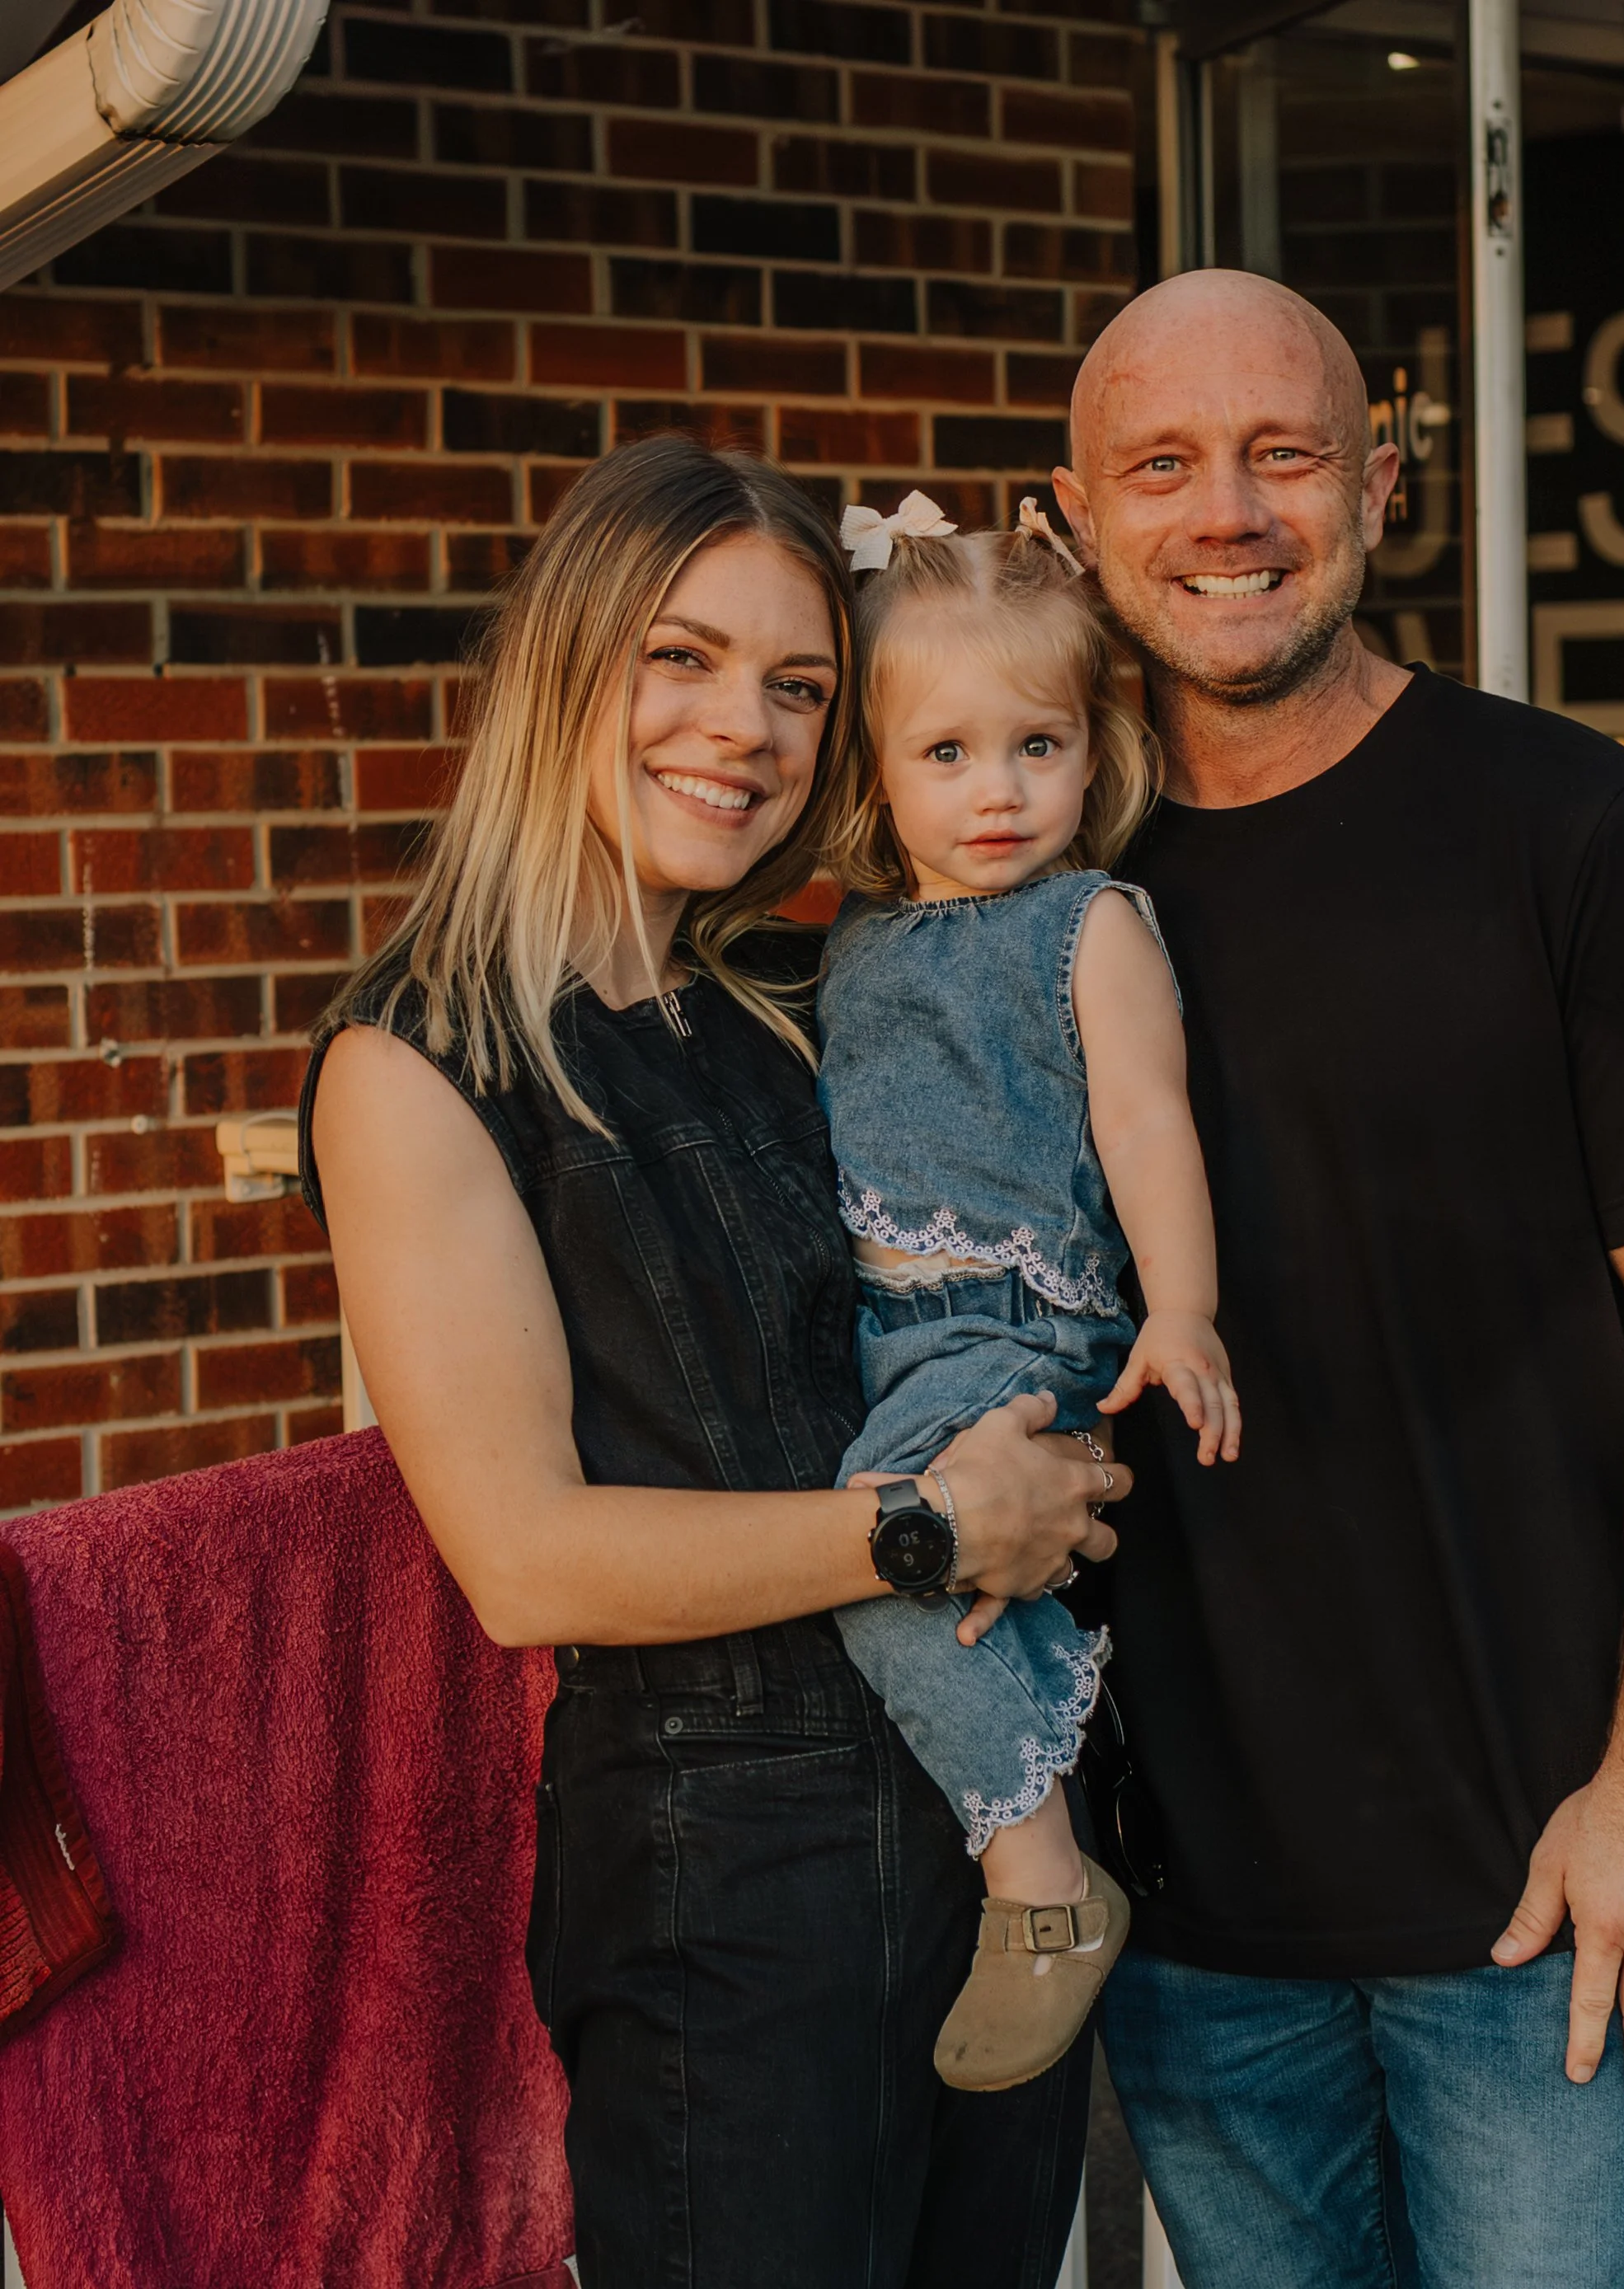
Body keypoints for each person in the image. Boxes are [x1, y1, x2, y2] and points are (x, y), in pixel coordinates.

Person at [302, 435, 1126, 2288]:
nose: (739, 726)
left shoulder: (791, 1008)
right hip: (725, 1894)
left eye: (795, 683)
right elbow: (525, 1553)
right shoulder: (419, 1067)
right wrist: (929, 1529)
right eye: (680, 657)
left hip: (983, 1829)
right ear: (563, 661)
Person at [1050, 270, 1624, 2286]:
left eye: (1281, 453)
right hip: (1196, 1914)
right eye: (1164, 465)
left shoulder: (1577, 835)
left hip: (1538, 1883)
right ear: (1072, 517)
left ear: (1377, 486)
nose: (1227, 511)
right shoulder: (1035, 897)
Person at [814, 495, 1240, 2094]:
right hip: (889, 1331)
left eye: (1036, 746)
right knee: (888, 1558)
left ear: (1089, 746)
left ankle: (1043, 1877)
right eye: (945, 753)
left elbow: (1144, 1121)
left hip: (1013, 1325)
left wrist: (1179, 1308)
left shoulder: (1089, 925)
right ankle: (1024, 1789)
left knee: (876, 1550)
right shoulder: (859, 936)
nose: (997, 792)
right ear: (872, 768)